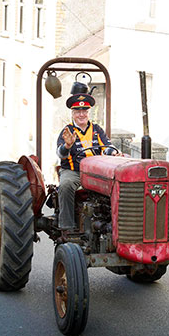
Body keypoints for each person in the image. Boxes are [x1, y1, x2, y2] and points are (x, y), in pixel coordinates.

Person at [56, 87, 118, 231]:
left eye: (84, 111)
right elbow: (61, 154)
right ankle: (67, 226)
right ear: (73, 113)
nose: (81, 114)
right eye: (78, 111)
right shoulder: (68, 131)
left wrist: (113, 153)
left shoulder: (97, 130)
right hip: (74, 171)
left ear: (88, 112)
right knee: (65, 186)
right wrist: (67, 145)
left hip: (96, 172)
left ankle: (113, 226)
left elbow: (106, 146)